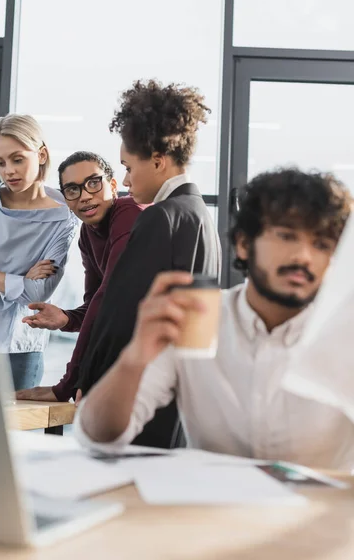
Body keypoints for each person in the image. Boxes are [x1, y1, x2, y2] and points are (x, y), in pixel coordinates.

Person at [74, 168, 354, 470]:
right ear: (244, 244)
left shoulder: (342, 332)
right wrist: (134, 358)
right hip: (211, 511)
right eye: (286, 236)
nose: (304, 257)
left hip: (322, 513)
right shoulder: (197, 319)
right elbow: (98, 438)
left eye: (322, 245)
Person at [76, 79, 222, 448]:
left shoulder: (162, 217)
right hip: (175, 394)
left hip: (138, 398)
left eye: (127, 167)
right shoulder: (200, 215)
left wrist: (89, 384)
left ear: (158, 160)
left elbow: (121, 313)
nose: (124, 181)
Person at [0, 114, 76, 390]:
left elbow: (36, 294)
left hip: (19, 350)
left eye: (17, 159)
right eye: (0, 162)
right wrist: (18, 282)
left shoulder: (63, 217)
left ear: (41, 154)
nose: (8, 170)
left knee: (11, 433)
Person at [15, 151, 144, 402]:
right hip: (121, 355)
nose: (85, 196)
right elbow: (94, 305)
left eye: (93, 183)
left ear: (114, 185)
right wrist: (65, 318)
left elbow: (107, 299)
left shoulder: (128, 213)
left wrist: (66, 384)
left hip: (149, 357)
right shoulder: (87, 234)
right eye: (72, 190)